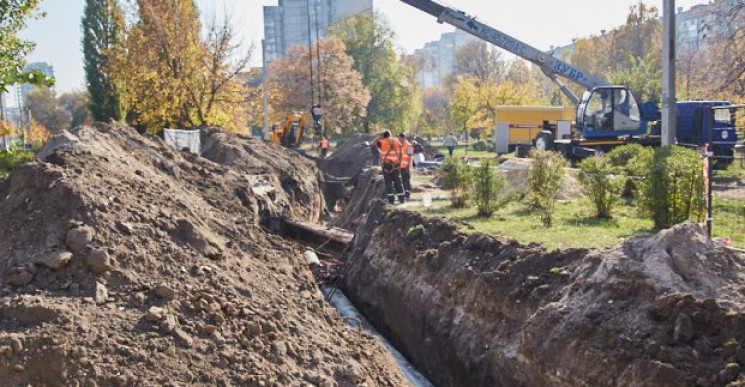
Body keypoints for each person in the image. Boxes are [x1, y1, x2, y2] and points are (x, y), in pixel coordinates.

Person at [377, 130, 405, 204]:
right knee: (398, 181)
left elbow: (373, 145)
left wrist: (379, 136)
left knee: (388, 183)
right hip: (395, 164)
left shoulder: (381, 142)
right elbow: (401, 153)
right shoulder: (397, 141)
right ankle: (401, 199)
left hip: (386, 165)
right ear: (390, 135)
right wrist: (399, 162)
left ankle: (391, 200)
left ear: (384, 136)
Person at [398, 133, 413, 200]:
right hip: (401, 166)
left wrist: (408, 165)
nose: (398, 139)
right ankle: (405, 192)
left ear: (403, 138)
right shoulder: (401, 145)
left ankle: (407, 193)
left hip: (406, 166)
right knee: (403, 180)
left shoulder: (409, 145)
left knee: (406, 179)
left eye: (399, 138)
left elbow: (410, 156)